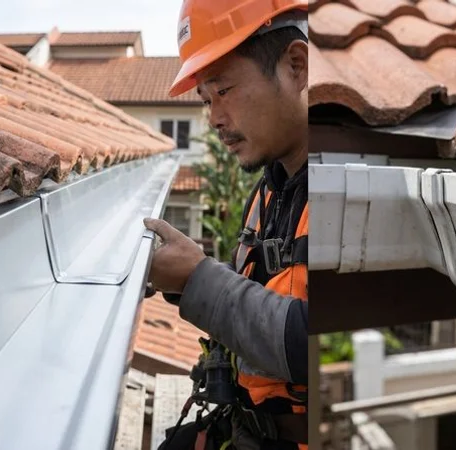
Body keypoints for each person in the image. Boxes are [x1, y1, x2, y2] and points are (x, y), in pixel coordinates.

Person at [142, 1, 309, 449]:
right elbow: (263, 290)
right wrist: (182, 279)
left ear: (296, 66)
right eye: (205, 101)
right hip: (249, 427)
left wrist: (198, 278)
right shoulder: (269, 191)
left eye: (224, 90)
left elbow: (306, 340)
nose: (214, 119)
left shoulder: (342, 188)